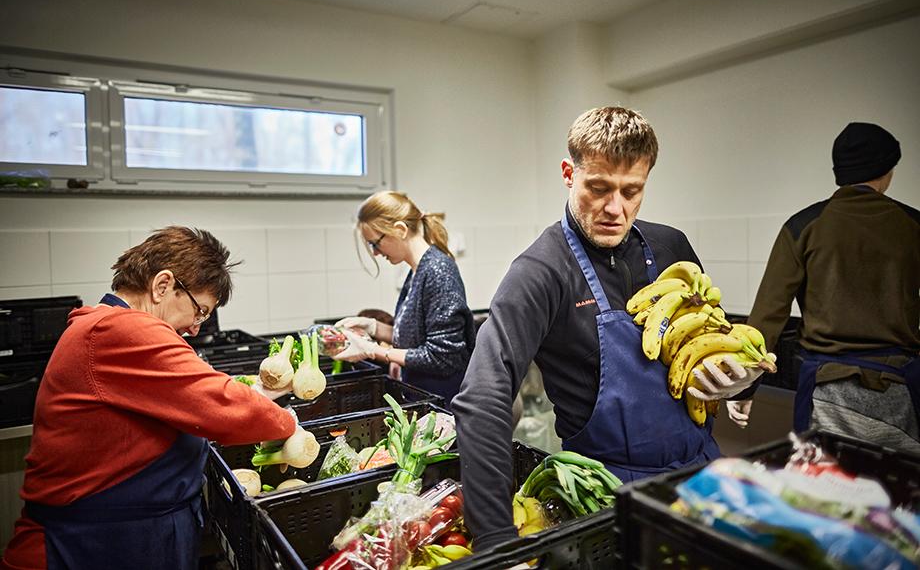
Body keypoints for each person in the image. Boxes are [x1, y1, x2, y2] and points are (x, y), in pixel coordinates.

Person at [451, 106, 763, 550]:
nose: (615, 209)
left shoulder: (670, 246)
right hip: (605, 496)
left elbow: (709, 339)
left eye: (632, 191)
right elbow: (484, 398)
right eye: (598, 188)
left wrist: (738, 382)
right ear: (568, 173)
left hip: (703, 475)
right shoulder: (540, 271)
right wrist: (497, 540)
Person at [1, 227, 300, 570]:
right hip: (89, 544)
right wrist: (286, 422)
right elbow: (224, 407)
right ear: (162, 286)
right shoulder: (123, 330)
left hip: (119, 533)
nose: (196, 327)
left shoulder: (104, 325)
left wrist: (254, 393)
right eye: (199, 310)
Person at [747, 122, 919, 453]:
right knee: (902, 493)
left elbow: (769, 314)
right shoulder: (912, 225)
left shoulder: (803, 226)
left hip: (828, 391)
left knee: (823, 492)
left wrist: (744, 390)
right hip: (901, 391)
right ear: (887, 171)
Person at [333, 191, 476, 406]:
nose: (376, 253)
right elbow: (416, 338)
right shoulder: (417, 271)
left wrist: (375, 351)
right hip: (423, 396)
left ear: (400, 230)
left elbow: (442, 357)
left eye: (376, 243)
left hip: (445, 402)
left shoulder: (438, 271)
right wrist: (372, 327)